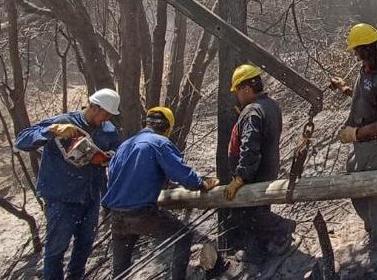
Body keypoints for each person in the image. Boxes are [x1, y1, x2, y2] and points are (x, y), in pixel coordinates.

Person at [15, 88, 122, 280]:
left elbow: (117, 150)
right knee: (56, 248)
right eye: (105, 114)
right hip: (61, 197)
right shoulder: (64, 122)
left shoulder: (108, 130)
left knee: (84, 245)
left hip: (90, 196)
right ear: (95, 107)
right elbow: (22, 141)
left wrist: (108, 158)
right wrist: (49, 131)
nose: (106, 119)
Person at [103, 106, 220, 280]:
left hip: (116, 215)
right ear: (167, 128)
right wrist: (201, 184)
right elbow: (182, 174)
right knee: (183, 236)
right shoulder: (159, 143)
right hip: (141, 213)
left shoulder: (125, 146)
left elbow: (115, 178)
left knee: (120, 270)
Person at [332, 23, 377, 258]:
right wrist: (345, 89)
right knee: (356, 185)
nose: (355, 55)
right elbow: (367, 98)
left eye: (357, 50)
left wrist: (356, 134)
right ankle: (372, 229)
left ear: (368, 49)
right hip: (362, 146)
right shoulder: (367, 71)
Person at [223, 64, 294, 265]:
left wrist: (240, 177)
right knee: (256, 212)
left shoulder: (253, 112)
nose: (237, 96)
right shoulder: (271, 105)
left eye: (238, 91)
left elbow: (249, 147)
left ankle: (282, 227)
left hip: (255, 172)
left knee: (250, 213)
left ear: (246, 89)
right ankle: (256, 252)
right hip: (268, 167)